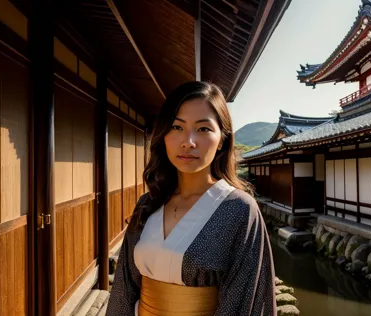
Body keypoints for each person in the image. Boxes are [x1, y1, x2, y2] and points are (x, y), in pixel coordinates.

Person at [106, 81, 276, 316]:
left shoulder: (239, 210)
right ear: (163, 135)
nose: (188, 141)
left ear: (222, 141)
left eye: (203, 129)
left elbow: (243, 303)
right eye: (176, 127)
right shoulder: (149, 203)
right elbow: (124, 290)